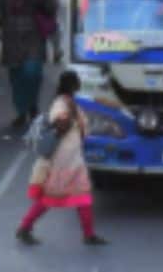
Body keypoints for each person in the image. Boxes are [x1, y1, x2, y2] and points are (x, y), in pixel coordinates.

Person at [17, 71, 107, 245]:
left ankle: (88, 234)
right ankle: (25, 227)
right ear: (73, 85)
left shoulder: (68, 102)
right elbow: (59, 122)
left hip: (72, 158)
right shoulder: (62, 103)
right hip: (64, 160)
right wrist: (70, 120)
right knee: (52, 197)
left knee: (81, 196)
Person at [0, 0, 57, 128]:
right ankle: (23, 110)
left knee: (28, 75)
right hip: (21, 39)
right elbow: (51, 7)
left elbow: (50, 7)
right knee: (21, 77)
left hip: (22, 39)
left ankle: (29, 107)